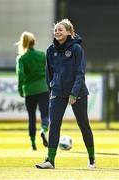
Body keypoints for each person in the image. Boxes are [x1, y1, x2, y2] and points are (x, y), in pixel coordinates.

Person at [35, 19, 95, 168]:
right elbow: (48, 73)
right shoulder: (50, 50)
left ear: (69, 32)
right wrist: (51, 91)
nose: (57, 32)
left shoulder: (76, 49)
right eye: (55, 30)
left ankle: (92, 158)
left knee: (83, 125)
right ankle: (50, 160)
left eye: (60, 30)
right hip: (57, 92)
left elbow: (80, 74)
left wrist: (74, 94)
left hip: (78, 92)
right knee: (54, 124)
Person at [15, 31, 49, 150]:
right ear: (34, 42)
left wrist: (20, 90)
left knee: (31, 117)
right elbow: (49, 70)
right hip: (43, 88)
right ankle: (44, 130)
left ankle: (33, 144)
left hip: (29, 90)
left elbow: (20, 74)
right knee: (45, 114)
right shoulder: (41, 55)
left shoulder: (21, 58)